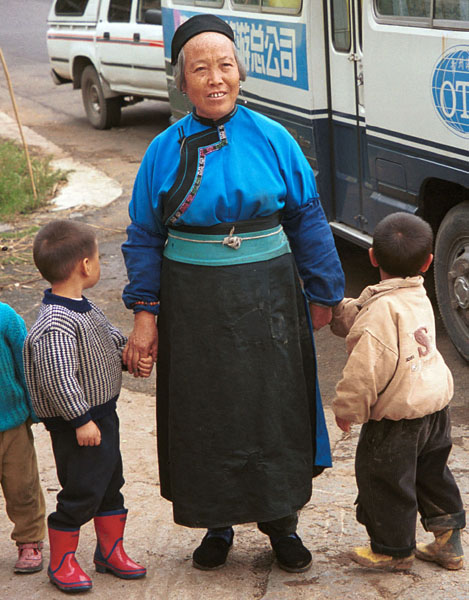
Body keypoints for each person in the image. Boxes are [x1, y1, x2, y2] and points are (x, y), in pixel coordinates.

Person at [121, 14, 344, 573]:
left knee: (275, 409)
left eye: (225, 65)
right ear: (182, 81)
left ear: (241, 72)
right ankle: (215, 523)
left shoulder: (274, 138)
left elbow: (309, 219)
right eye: (201, 68)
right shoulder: (162, 151)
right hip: (192, 302)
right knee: (205, 412)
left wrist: (325, 293)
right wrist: (145, 314)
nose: (215, 77)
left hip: (268, 296)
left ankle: (281, 524)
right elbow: (145, 236)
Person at [331, 212, 466, 571]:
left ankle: (393, 550)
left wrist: (347, 409)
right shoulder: (418, 293)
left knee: (384, 481)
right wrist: (341, 310)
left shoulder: (379, 315)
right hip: (435, 408)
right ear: (429, 262)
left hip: (398, 421)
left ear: (372, 257)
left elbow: (363, 374)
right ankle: (448, 541)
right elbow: (366, 310)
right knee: (432, 474)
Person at [23, 220, 151, 593]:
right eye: (98, 256)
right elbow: (58, 376)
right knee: (82, 490)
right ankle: (62, 560)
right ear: (85, 265)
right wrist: (80, 419)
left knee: (111, 483)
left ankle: (110, 552)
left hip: (101, 416)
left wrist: (128, 356)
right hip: (78, 424)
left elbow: (106, 339)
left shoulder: (84, 308)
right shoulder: (54, 324)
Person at [0, 301, 46, 574]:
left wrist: (36, 409)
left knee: (22, 486)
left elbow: (26, 362)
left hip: (12, 424)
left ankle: (29, 539)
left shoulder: (5, 317)